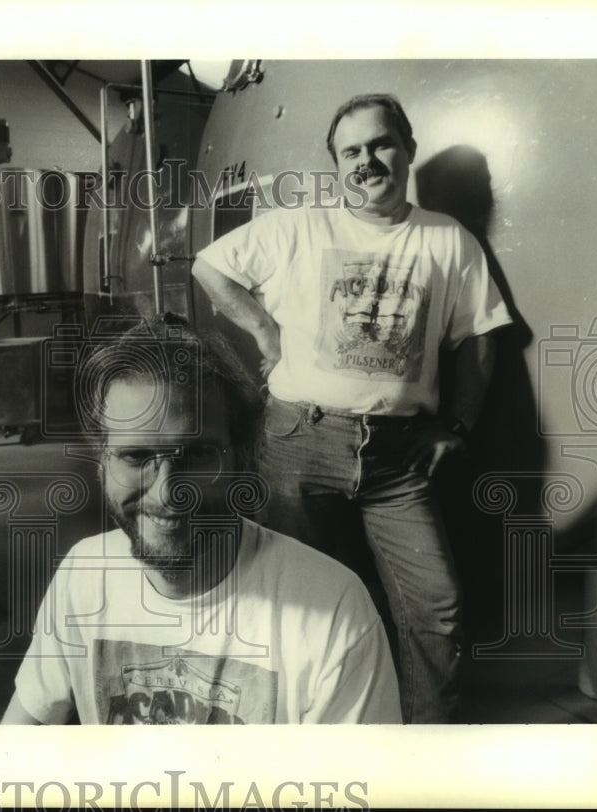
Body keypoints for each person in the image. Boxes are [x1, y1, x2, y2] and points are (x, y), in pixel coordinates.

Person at [191, 94, 512, 723]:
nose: (367, 161)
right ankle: (306, 742)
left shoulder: (448, 240)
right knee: (298, 603)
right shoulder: (298, 228)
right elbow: (211, 266)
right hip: (299, 443)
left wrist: (458, 425)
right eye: (351, 151)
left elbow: (482, 334)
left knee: (435, 605)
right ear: (337, 165)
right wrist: (263, 329)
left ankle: (420, 757)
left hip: (398, 462)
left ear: (408, 150)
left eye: (381, 144)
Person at [2, 315, 401, 724]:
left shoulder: (334, 611)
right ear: (101, 464)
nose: (167, 492)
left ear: (243, 460)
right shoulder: (83, 574)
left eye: (195, 456)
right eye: (136, 457)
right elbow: (24, 730)